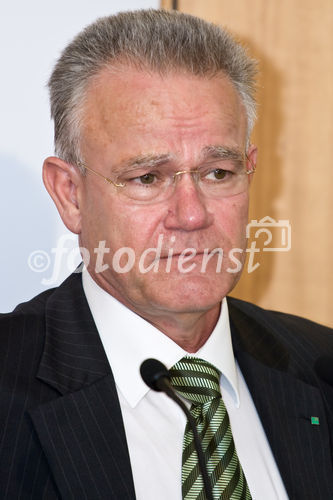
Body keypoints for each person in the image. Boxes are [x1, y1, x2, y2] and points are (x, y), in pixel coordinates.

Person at [0, 9, 332, 500]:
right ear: (70, 193)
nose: (192, 216)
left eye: (218, 172)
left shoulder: (321, 367)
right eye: (148, 178)